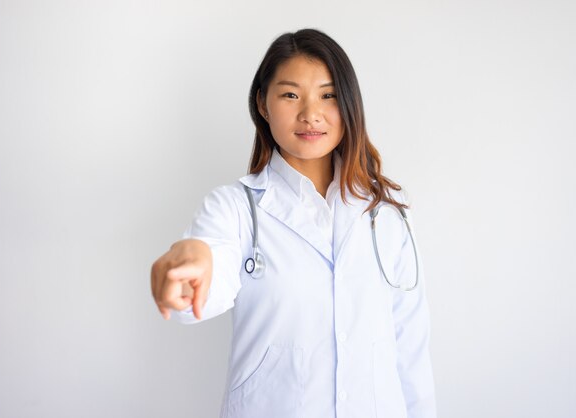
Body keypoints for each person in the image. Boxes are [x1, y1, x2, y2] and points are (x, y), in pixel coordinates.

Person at [151, 28, 436, 418]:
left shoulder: (388, 210)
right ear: (263, 105)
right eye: (290, 95)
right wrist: (191, 268)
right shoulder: (236, 207)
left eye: (328, 95)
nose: (310, 114)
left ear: (349, 103)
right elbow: (202, 280)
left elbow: (411, 347)